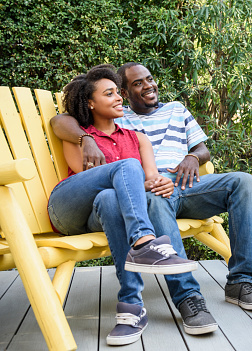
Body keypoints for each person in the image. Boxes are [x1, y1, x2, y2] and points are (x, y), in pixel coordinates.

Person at [50, 62, 252, 337]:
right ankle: (186, 295)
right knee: (136, 191)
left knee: (243, 181)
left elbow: (199, 149)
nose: (148, 86)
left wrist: (189, 159)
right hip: (130, 194)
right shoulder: (112, 117)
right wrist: (85, 140)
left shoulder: (157, 121)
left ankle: (242, 281)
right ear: (124, 94)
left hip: (176, 182)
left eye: (149, 79)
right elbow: (60, 122)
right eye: (135, 84)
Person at [48, 65, 198, 346]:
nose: (119, 98)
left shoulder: (138, 138)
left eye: (119, 92)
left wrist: (161, 184)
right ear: (90, 102)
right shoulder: (78, 134)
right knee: (125, 170)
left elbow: (151, 179)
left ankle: (130, 307)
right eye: (109, 93)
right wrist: (86, 138)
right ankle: (144, 244)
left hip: (101, 212)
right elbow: (83, 173)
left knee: (110, 197)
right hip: (68, 209)